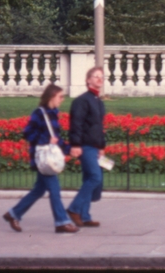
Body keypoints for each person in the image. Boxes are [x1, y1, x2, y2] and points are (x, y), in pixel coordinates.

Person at [3, 83, 78, 234]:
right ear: (51, 96)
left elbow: (56, 139)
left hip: (47, 159)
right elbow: (28, 133)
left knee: (38, 190)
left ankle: (13, 214)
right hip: (42, 159)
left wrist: (69, 150)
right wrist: (45, 140)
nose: (62, 99)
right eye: (60, 96)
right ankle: (61, 222)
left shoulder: (54, 113)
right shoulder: (39, 113)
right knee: (54, 189)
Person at [66, 67, 106, 228]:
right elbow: (76, 124)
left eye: (101, 77)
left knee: (90, 179)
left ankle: (84, 215)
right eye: (95, 76)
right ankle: (74, 209)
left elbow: (98, 127)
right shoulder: (82, 100)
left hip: (95, 146)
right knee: (95, 178)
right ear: (88, 80)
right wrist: (75, 144)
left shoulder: (98, 101)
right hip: (85, 145)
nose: (99, 79)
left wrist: (102, 146)